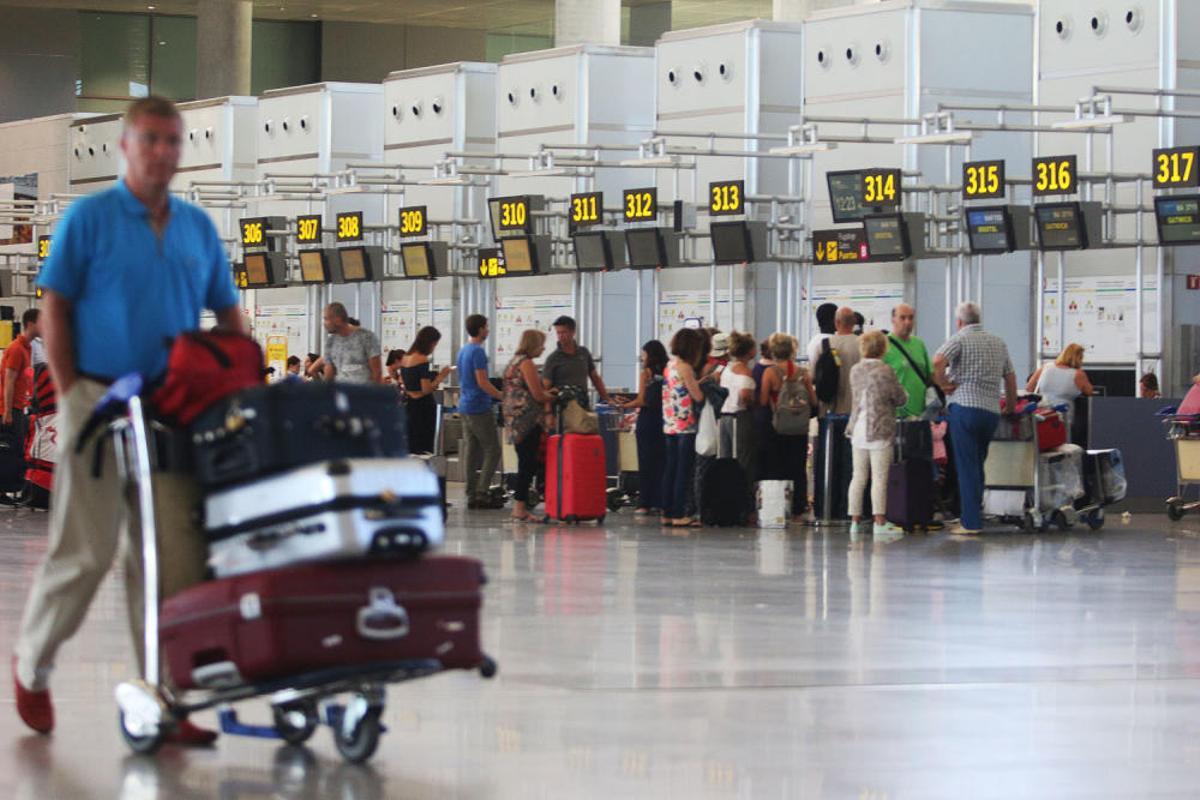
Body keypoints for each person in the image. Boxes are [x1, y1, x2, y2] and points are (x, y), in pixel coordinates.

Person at [13, 96, 243, 743]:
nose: (163, 152)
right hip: (96, 397)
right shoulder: (90, 219)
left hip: (173, 408)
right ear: (125, 146)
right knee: (84, 549)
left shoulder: (198, 228)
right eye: (151, 139)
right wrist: (67, 392)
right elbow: (55, 309)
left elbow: (229, 316)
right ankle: (31, 664)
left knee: (172, 554)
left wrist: (238, 380)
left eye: (173, 140)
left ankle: (165, 698)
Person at [933, 302, 1018, 536]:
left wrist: (942, 384)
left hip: (965, 409)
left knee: (967, 466)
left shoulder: (959, 339)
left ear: (960, 322)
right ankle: (974, 513)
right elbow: (1010, 378)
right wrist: (1010, 406)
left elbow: (938, 362)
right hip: (990, 412)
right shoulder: (998, 342)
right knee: (978, 465)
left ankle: (970, 523)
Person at [846, 331, 909, 537]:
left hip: (857, 428)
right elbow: (899, 398)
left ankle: (854, 522)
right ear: (883, 348)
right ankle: (879, 522)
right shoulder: (885, 370)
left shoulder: (855, 370)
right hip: (879, 429)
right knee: (880, 478)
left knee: (858, 477)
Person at [759, 333, 818, 521]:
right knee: (798, 469)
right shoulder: (803, 373)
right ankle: (799, 509)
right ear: (793, 350)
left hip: (778, 429)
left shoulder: (770, 373)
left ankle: (778, 505)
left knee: (778, 467)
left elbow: (761, 400)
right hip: (799, 429)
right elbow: (813, 401)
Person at [502, 330, 556, 523]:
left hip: (513, 420)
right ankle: (519, 507)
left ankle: (520, 506)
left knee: (525, 462)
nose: (543, 348)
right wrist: (555, 395)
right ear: (533, 344)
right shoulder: (526, 363)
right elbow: (538, 394)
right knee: (528, 463)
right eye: (541, 344)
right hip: (527, 420)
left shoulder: (513, 362)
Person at [457, 314, 505, 509]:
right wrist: (502, 396)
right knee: (493, 449)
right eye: (486, 327)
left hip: (465, 405)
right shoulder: (478, 352)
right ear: (479, 329)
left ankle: (470, 492)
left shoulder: (463, 350)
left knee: (472, 450)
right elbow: (482, 382)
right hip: (479, 406)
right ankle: (482, 492)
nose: (488, 330)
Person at [661, 328, 705, 528]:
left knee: (670, 469)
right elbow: (697, 396)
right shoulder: (686, 367)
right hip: (685, 426)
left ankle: (667, 512)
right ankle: (679, 514)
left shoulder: (669, 365)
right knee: (683, 472)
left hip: (669, 424)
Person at [621, 340, 668, 516]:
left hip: (648, 419)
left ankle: (645, 502)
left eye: (644, 354)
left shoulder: (646, 373)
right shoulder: (668, 371)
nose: (642, 357)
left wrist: (625, 405)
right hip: (664, 418)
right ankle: (661, 499)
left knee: (646, 461)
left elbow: (642, 400)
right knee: (663, 461)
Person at [718, 331, 759, 519]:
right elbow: (744, 395)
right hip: (739, 417)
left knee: (726, 462)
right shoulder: (744, 370)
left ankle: (726, 504)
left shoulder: (726, 368)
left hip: (724, 417)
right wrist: (753, 402)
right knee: (744, 463)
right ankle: (745, 507)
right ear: (750, 351)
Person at [400, 327, 451, 455]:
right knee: (425, 446)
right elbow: (426, 389)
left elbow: (408, 386)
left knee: (413, 445)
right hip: (423, 406)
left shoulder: (405, 358)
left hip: (410, 405)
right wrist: (441, 376)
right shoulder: (422, 359)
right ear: (430, 342)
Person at [542, 315, 611, 407]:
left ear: (573, 332)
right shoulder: (553, 359)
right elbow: (546, 388)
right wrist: (548, 412)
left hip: (582, 403)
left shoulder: (584, 353)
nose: (561, 336)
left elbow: (595, 378)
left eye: (564, 332)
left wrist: (607, 399)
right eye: (558, 333)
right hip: (563, 406)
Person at [882, 303, 935, 419]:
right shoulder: (884, 345)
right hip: (894, 415)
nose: (907, 322)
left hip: (920, 414)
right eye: (902, 318)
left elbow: (930, 375)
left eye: (911, 318)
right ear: (893, 320)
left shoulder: (919, 344)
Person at [1, 309, 41, 449]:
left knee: (20, 449)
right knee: (13, 452)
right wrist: (7, 412)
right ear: (30, 324)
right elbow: (9, 380)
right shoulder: (16, 348)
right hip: (11, 409)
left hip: (19, 407)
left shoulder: (27, 348)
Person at [1026, 343, 1093, 423]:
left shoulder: (1046, 367)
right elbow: (1089, 391)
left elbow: (1029, 388)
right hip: (1063, 417)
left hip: (1041, 414)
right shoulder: (1078, 374)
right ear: (1078, 358)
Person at [812, 307, 861, 416]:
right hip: (856, 410)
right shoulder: (864, 345)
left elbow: (813, 376)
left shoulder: (824, 345)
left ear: (836, 322)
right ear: (854, 322)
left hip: (829, 410)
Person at [321, 302, 381, 384]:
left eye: (326, 319)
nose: (324, 323)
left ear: (338, 320)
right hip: (342, 392)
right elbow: (329, 372)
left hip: (364, 391)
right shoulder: (330, 342)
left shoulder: (366, 337)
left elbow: (376, 372)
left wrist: (373, 394)